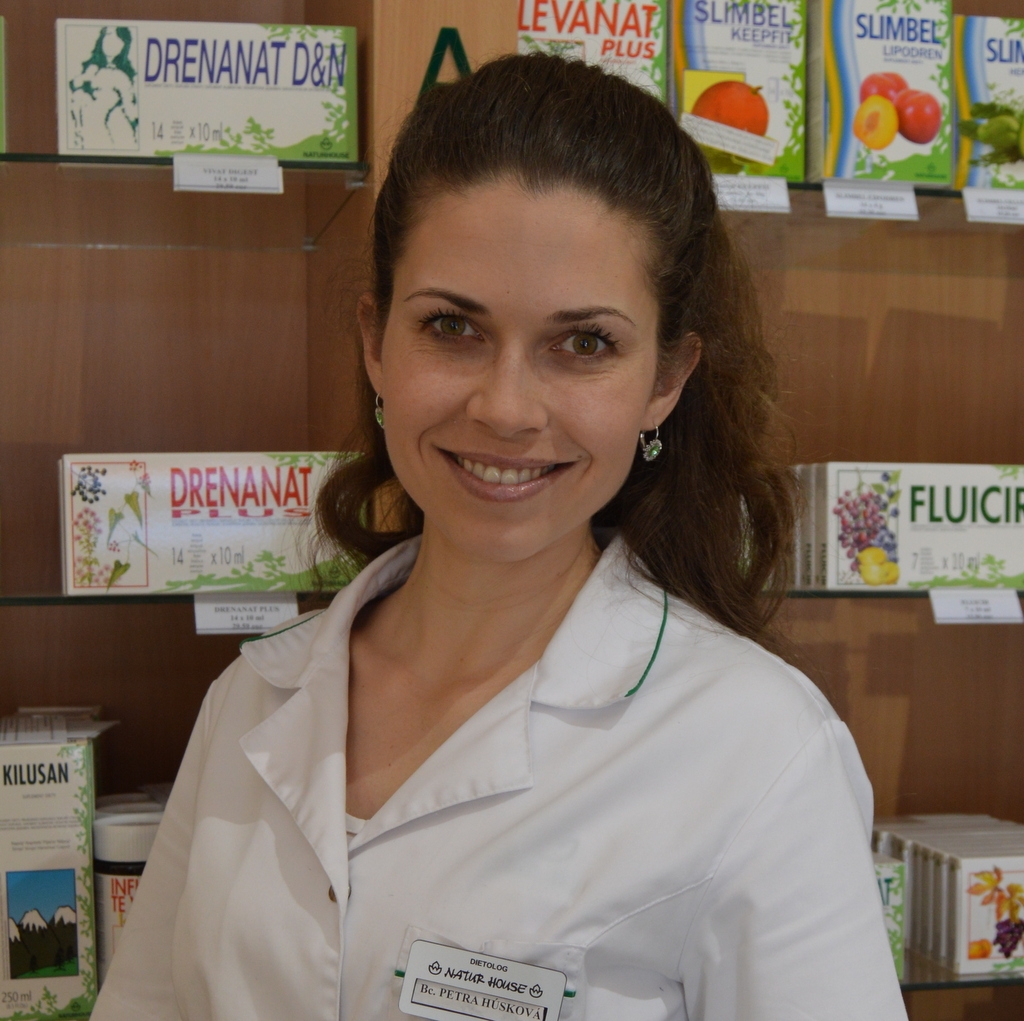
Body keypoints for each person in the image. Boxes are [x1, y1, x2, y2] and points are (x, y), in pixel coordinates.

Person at [93, 54, 907, 1021]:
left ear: (665, 381)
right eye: (453, 327)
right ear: (375, 343)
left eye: (585, 343)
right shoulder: (251, 699)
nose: (506, 408)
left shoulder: (760, 748)